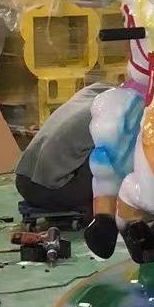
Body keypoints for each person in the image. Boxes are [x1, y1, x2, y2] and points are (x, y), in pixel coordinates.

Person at [14, 83, 112, 217]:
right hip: (50, 190)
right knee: (111, 157)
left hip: (23, 181)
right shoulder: (114, 113)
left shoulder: (93, 90)